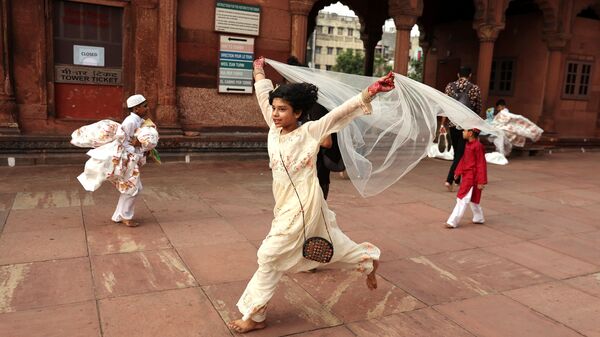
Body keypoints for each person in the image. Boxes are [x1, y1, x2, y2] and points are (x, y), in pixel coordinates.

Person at [227, 57, 393, 333]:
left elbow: (340, 114)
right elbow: (262, 96)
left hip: (305, 204)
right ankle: (367, 259)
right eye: (275, 109)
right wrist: (258, 70)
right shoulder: (274, 127)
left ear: (299, 112)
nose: (276, 113)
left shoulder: (311, 131)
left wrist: (371, 91)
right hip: (283, 205)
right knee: (333, 246)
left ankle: (254, 316)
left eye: (283, 109)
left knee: (269, 255)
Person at [110, 94, 150, 227]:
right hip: (127, 158)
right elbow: (122, 142)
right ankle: (125, 217)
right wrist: (137, 150)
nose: (147, 108)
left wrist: (144, 147)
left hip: (133, 157)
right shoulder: (130, 121)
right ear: (136, 109)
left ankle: (118, 216)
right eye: (145, 106)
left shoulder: (140, 121)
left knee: (132, 187)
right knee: (133, 188)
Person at [440, 66, 482, 191]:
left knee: (457, 152)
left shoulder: (449, 87)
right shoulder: (475, 89)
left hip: (453, 123)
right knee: (461, 153)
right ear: (470, 75)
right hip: (467, 126)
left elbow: (445, 106)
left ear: (458, 74)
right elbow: (478, 108)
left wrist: (443, 123)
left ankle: (457, 178)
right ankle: (449, 179)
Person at [446, 128, 487, 228]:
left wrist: (481, 181)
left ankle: (452, 221)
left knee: (462, 198)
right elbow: (464, 160)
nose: (463, 133)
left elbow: (481, 164)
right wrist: (458, 171)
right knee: (474, 200)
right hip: (468, 175)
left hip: (473, 177)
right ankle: (479, 218)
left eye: (464, 131)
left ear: (470, 133)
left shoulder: (478, 146)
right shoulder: (468, 145)